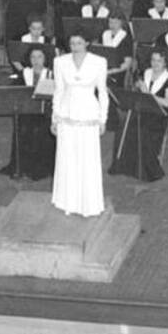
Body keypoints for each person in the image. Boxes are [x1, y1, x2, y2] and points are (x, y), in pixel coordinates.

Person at [51, 33, 109, 216]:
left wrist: (103, 119)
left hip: (88, 115)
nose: (75, 47)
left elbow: (103, 92)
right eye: (72, 43)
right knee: (67, 157)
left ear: (87, 43)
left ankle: (88, 203)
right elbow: (58, 91)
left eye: (79, 43)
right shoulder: (60, 62)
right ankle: (66, 201)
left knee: (87, 158)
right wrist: (55, 117)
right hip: (66, 115)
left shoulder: (99, 62)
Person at [109, 48, 168, 181]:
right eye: (153, 60)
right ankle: (124, 166)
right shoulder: (146, 73)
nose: (155, 64)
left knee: (143, 130)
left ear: (165, 63)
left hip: (159, 114)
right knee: (123, 128)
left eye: (159, 61)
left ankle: (145, 171)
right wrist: (137, 88)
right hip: (143, 109)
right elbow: (138, 94)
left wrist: (148, 94)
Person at [2, 47, 56, 179]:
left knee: (41, 130)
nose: (36, 60)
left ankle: (41, 167)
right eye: (33, 57)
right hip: (26, 112)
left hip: (45, 113)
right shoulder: (24, 74)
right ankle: (21, 166)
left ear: (45, 59)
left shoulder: (51, 74)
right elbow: (13, 93)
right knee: (22, 127)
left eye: (39, 57)